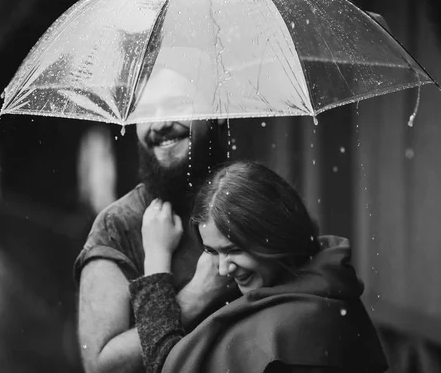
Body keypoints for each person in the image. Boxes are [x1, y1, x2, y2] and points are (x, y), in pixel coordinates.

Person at [129, 160, 388, 373]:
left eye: (233, 250)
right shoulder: (327, 284)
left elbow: (168, 367)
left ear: (275, 234)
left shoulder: (293, 321)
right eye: (211, 251)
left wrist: (155, 263)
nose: (222, 270)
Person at [74, 54, 240, 372]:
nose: (160, 123)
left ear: (218, 111)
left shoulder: (256, 203)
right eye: (147, 111)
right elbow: (101, 367)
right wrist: (197, 296)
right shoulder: (118, 225)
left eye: (177, 105)